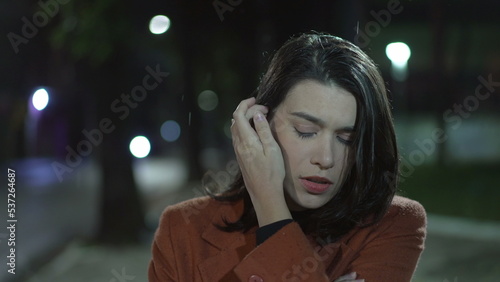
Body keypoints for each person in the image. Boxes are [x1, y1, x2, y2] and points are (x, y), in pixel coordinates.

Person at [148, 32, 426, 282]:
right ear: (260, 123)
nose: (325, 158)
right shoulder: (183, 229)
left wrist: (270, 205)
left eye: (346, 139)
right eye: (305, 131)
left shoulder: (393, 224)